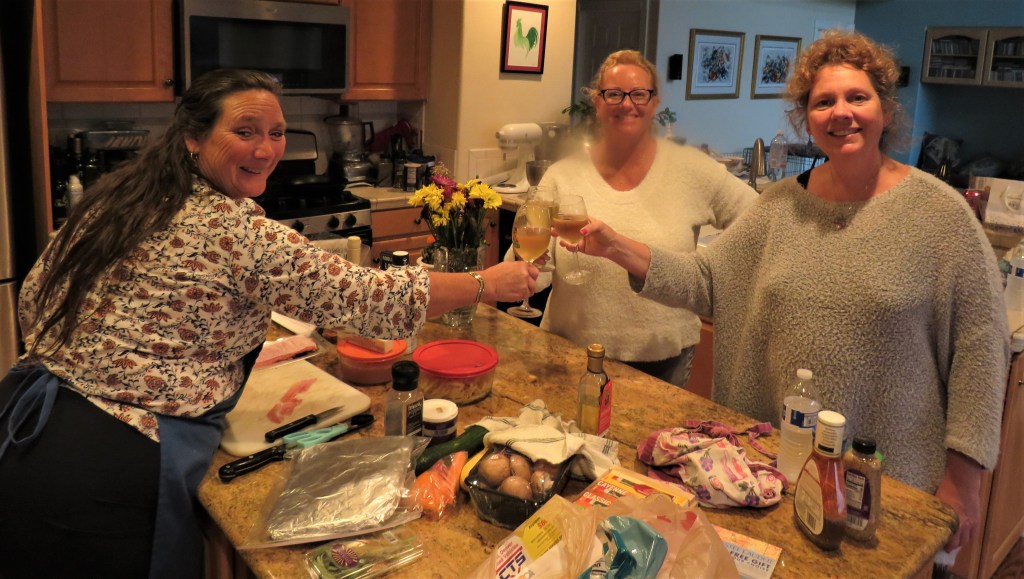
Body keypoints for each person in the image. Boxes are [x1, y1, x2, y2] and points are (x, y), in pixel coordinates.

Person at [0, 69, 538, 579]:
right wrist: (485, 283)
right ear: (193, 137)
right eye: (245, 131)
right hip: (112, 468)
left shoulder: (124, 197)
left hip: (27, 429)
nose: (265, 149)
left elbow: (34, 297)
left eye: (277, 133)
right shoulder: (232, 230)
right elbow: (369, 298)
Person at [559, 32, 1009, 553]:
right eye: (824, 102)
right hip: (774, 471)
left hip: (889, 483)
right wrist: (615, 246)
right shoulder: (779, 207)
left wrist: (965, 479)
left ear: (885, 109)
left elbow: (981, 348)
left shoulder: (940, 216)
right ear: (806, 119)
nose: (841, 113)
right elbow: (707, 281)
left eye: (857, 97)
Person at [523, 49, 756, 388]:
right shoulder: (563, 175)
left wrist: (710, 275)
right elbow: (535, 268)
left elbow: (762, 222)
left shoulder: (692, 170)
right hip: (571, 351)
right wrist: (529, 264)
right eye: (614, 94)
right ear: (598, 102)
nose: (626, 103)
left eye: (639, 94)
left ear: (655, 102)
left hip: (663, 358)